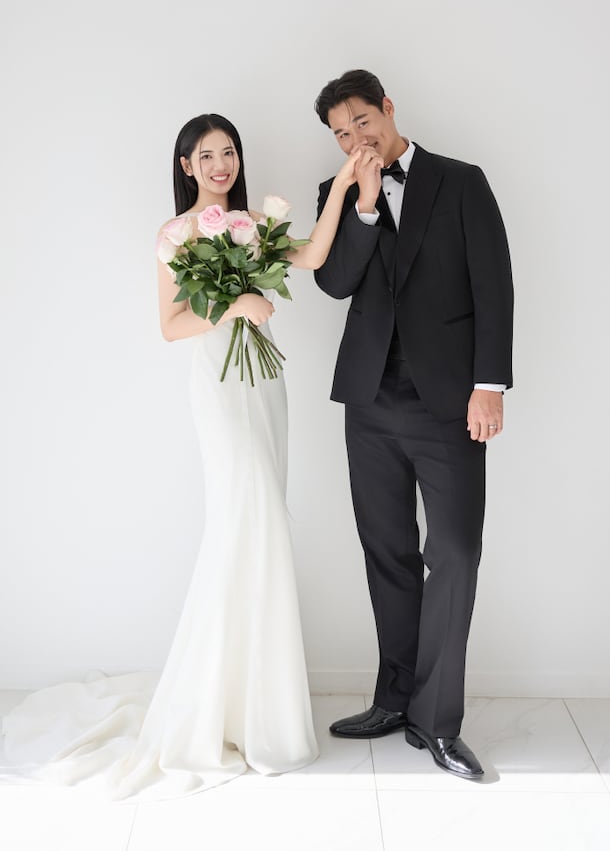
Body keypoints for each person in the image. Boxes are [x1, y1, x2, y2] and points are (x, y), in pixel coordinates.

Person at [0, 113, 360, 800]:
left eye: (230, 152)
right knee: (245, 524)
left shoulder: (251, 224)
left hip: (265, 383)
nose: (221, 164)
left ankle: (256, 706)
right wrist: (236, 305)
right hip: (220, 386)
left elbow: (314, 256)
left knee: (264, 527)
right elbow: (171, 325)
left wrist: (343, 182)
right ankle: (219, 704)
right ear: (187, 165)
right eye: (207, 155)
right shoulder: (175, 234)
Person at [313, 70, 513, 780]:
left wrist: (489, 386)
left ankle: (437, 721)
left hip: (449, 402)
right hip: (368, 400)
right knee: (387, 551)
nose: (355, 140)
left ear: (388, 108)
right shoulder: (338, 191)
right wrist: (364, 207)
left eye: (363, 122)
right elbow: (333, 281)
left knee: (453, 552)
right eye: (341, 133)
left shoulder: (461, 181)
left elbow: (494, 286)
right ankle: (395, 699)